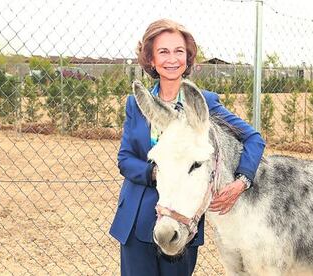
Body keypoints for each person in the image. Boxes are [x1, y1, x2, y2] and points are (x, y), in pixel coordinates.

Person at [109, 18, 265, 276]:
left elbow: (254, 139)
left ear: (188, 57)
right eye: (163, 51)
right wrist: (158, 173)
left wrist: (241, 182)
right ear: (151, 60)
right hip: (136, 220)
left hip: (182, 220)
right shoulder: (136, 104)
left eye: (179, 51)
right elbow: (125, 159)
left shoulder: (205, 104)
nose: (172, 59)